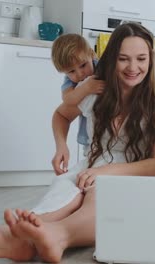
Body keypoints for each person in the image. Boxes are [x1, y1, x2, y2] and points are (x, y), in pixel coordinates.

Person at [0, 22, 155, 263]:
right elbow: (61, 114)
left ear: (151, 59)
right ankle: (13, 235)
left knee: (98, 196)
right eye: (123, 59)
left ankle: (58, 236)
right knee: (66, 189)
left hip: (134, 172)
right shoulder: (94, 88)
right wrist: (62, 146)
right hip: (93, 164)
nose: (133, 67)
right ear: (112, 59)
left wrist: (105, 171)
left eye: (141, 59)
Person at [51, 33, 105, 174]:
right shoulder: (74, 83)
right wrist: (86, 88)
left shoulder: (104, 68)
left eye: (83, 65)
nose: (80, 74)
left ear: (92, 54)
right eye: (71, 71)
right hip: (91, 142)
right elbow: (68, 100)